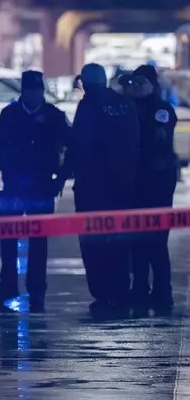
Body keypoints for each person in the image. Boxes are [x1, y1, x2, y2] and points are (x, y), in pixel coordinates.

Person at [56, 63, 139, 317]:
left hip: (93, 187)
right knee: (120, 239)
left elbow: (79, 145)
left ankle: (102, 294)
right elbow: (135, 141)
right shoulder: (125, 104)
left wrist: (61, 176)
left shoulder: (89, 106)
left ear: (85, 83)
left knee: (93, 241)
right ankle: (121, 291)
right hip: (123, 185)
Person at [0, 70, 71, 312]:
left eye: (37, 90)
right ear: (22, 91)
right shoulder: (9, 114)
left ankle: (36, 290)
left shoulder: (54, 116)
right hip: (12, 185)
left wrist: (61, 178)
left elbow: (71, 147)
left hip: (42, 186)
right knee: (8, 239)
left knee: (38, 241)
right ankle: (8, 286)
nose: (33, 94)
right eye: (29, 89)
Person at [127, 65, 177, 311]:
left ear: (152, 85)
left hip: (156, 184)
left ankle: (162, 291)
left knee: (156, 240)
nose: (136, 87)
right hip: (134, 184)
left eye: (141, 83)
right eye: (134, 82)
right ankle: (139, 288)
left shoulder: (161, 110)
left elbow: (158, 141)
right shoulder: (127, 108)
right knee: (136, 239)